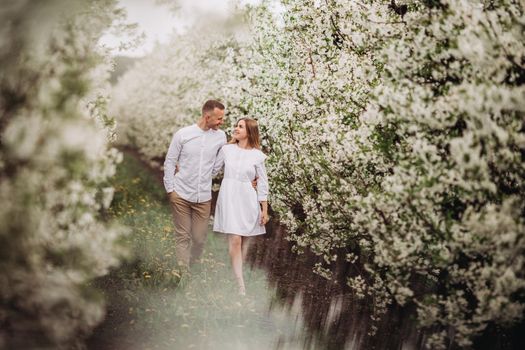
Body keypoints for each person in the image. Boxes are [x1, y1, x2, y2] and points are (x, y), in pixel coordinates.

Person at [163, 100, 227, 270]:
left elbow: (216, 168)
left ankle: (193, 264)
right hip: (181, 194)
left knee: (199, 238)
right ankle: (183, 275)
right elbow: (170, 162)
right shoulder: (183, 134)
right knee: (182, 236)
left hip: (203, 197)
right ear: (207, 117)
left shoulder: (221, 137)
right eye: (219, 119)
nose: (222, 122)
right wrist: (171, 190)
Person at [213, 118, 269, 296]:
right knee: (235, 238)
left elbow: (263, 183)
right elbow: (213, 170)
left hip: (247, 197)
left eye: (240, 126)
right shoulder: (226, 150)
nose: (236, 129)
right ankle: (240, 285)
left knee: (242, 239)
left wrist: (264, 210)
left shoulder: (257, 155)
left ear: (249, 132)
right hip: (229, 195)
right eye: (236, 126)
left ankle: (235, 272)